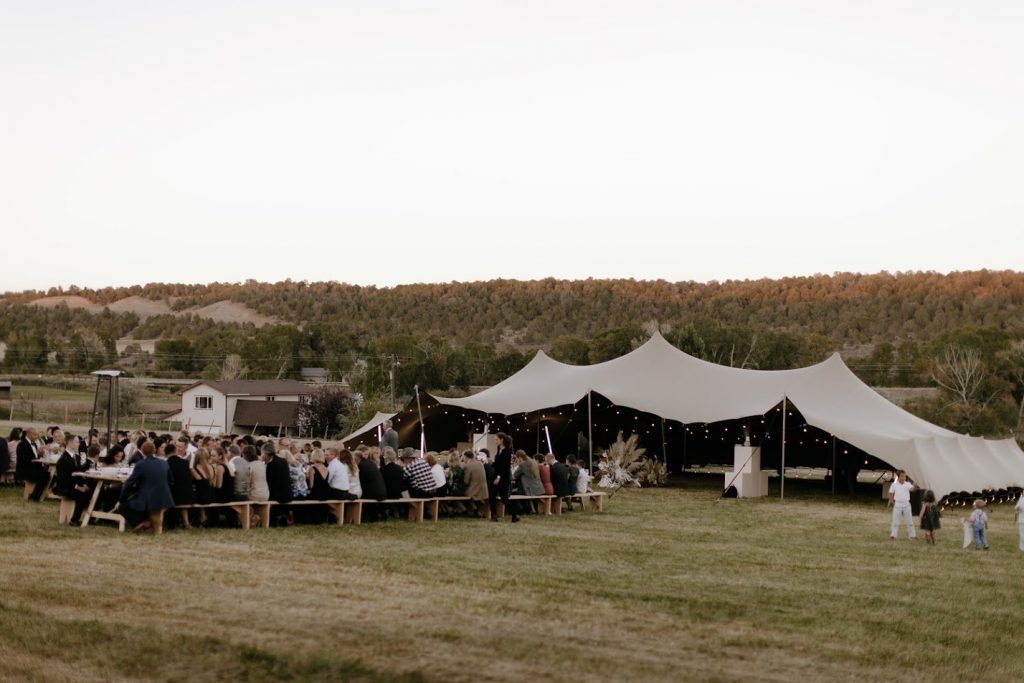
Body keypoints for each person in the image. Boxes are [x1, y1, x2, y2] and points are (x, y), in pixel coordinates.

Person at [117, 441, 175, 534]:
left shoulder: (141, 464)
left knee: (123, 507)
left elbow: (130, 482)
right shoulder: (164, 463)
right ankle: (150, 525)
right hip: (166, 497)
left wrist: (122, 497)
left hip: (149, 497)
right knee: (154, 511)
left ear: (142, 451)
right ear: (154, 450)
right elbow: (171, 480)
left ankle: (144, 523)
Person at [53, 435, 90, 525]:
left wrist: (84, 483)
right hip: (65, 487)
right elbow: (64, 479)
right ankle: (74, 520)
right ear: (70, 443)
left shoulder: (76, 457)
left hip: (74, 484)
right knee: (82, 495)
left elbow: (79, 473)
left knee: (90, 491)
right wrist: (78, 487)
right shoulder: (64, 459)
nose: (78, 444)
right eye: (77, 442)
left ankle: (90, 518)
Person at [167, 441, 194, 530]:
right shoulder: (185, 462)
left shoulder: (167, 463)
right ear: (175, 451)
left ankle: (171, 524)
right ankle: (186, 523)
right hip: (188, 495)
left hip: (174, 496)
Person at [489, 433, 516, 523]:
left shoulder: (507, 452)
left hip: (503, 478)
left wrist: (498, 477)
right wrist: (489, 462)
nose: (495, 441)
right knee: (492, 496)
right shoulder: (499, 449)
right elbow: (497, 464)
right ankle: (493, 515)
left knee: (504, 498)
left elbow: (504, 467)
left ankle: (514, 515)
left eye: (496, 439)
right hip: (496, 475)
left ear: (502, 440)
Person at [16, 427, 49, 502]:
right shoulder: (22, 444)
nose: (37, 437)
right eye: (35, 435)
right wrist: (37, 452)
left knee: (48, 474)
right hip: (25, 470)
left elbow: (34, 457)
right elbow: (25, 459)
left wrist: (40, 454)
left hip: (32, 468)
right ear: (30, 434)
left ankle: (38, 494)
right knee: (45, 475)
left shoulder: (33, 444)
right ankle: (34, 497)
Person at [887, 470, 917, 541]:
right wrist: (893, 502)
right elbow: (890, 494)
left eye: (905, 476)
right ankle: (893, 535)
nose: (904, 478)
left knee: (909, 521)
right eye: (902, 476)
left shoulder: (907, 484)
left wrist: (914, 486)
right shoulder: (894, 485)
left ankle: (912, 536)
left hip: (906, 504)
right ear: (898, 476)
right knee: (895, 521)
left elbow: (912, 489)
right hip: (898, 504)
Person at [462, 449, 488, 517]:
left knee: (462, 492)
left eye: (463, 458)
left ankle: (473, 509)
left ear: (466, 457)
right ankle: (477, 509)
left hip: (475, 491)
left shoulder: (468, 466)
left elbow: (466, 481)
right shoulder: (480, 463)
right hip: (484, 490)